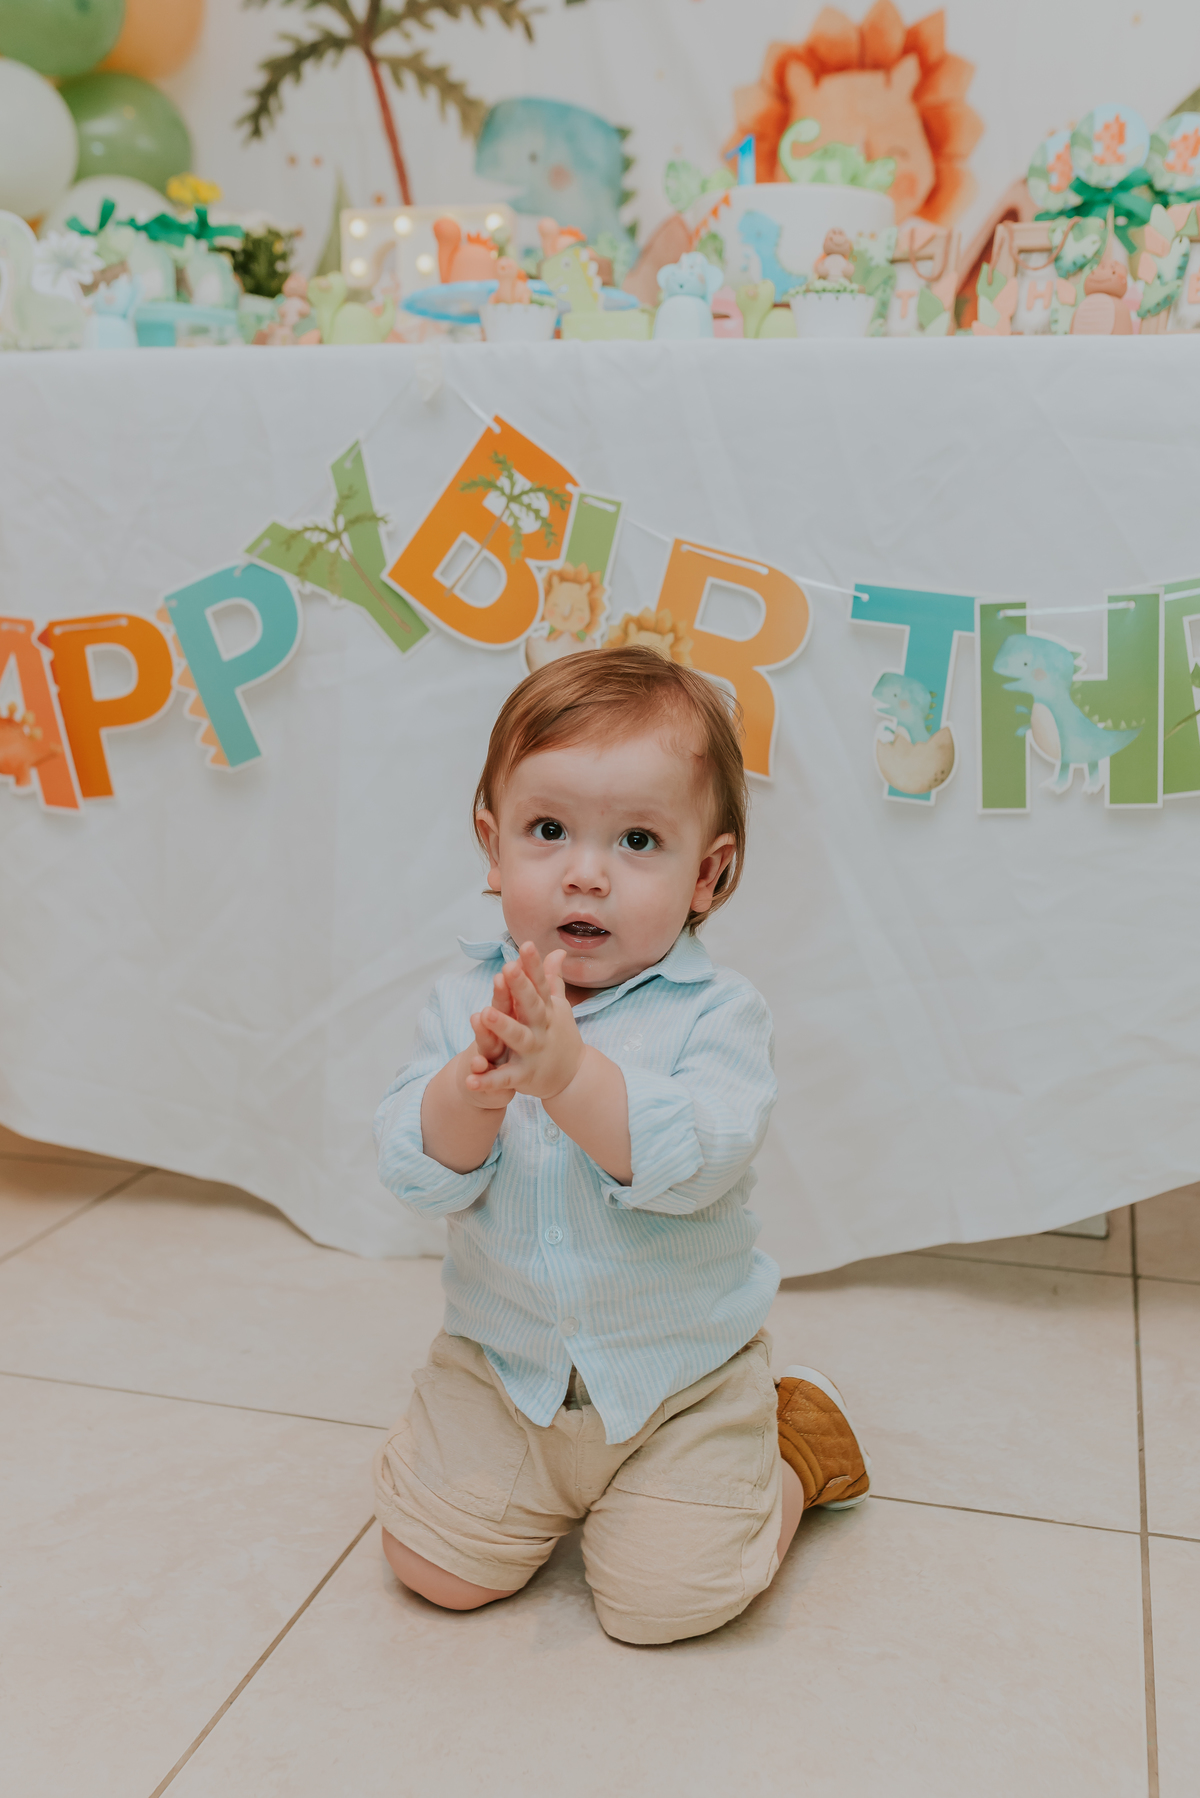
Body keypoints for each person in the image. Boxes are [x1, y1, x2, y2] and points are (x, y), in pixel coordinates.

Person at [372, 645, 869, 1645]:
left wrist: (568, 1078)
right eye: (548, 830)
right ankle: (548, 1490)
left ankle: (789, 1451)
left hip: (678, 1382)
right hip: (505, 1372)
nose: (586, 872)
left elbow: (695, 1164)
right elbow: (415, 1172)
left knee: (666, 1606)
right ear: (493, 844)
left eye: (638, 839)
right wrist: (470, 1097)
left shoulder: (717, 1016)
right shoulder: (467, 1003)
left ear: (708, 873)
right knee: (430, 1568)